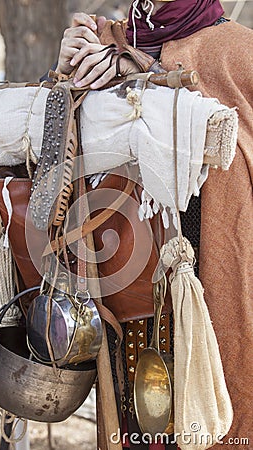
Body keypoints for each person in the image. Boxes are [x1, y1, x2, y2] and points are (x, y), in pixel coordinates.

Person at [55, 1, 253, 449]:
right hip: (122, 278)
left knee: (221, 410)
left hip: (210, 272)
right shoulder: (105, 41)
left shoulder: (240, 51)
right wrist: (67, 71)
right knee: (133, 419)